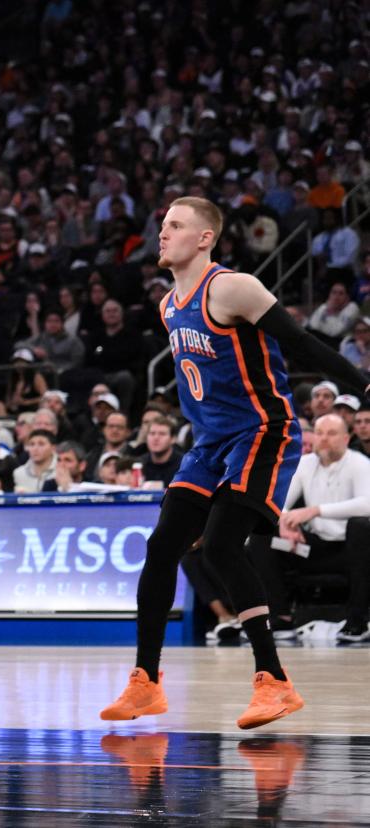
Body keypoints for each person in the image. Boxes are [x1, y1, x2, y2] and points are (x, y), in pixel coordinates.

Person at [101, 196, 368, 730]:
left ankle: (274, 682)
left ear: (205, 238)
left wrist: (364, 384)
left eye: (175, 225)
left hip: (264, 433)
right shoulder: (167, 304)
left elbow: (302, 345)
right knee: (161, 548)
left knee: (223, 543)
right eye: (163, 225)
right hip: (209, 443)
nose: (162, 233)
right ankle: (146, 683)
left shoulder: (232, 288)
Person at [246, 414, 370, 642]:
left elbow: (366, 505)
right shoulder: (304, 463)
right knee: (263, 536)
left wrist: (315, 510)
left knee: (360, 526)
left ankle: (358, 621)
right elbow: (277, 503)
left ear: (345, 438)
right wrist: (284, 522)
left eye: (331, 433)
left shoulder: (360, 463)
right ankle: (281, 618)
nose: (324, 439)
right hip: (310, 549)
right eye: (320, 433)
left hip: (352, 551)